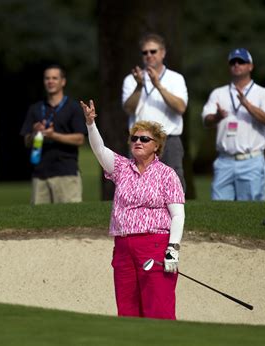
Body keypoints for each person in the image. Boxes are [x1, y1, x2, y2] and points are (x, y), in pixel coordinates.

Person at [80, 99, 185, 320]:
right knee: (127, 311)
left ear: (156, 145)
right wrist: (91, 124)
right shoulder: (121, 168)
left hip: (154, 244)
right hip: (123, 246)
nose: (138, 141)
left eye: (144, 139)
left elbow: (178, 215)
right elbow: (99, 149)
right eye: (134, 138)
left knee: (158, 308)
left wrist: (172, 249)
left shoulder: (167, 174)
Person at [201, 48, 265, 201]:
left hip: (251, 161)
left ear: (250, 66)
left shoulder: (263, 93)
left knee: (251, 212)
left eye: (241, 61)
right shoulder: (218, 93)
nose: (236, 65)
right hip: (224, 161)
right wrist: (216, 117)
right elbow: (205, 120)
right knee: (220, 211)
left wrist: (247, 105)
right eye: (233, 62)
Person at [122, 33, 188, 191]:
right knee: (139, 188)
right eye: (145, 52)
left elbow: (180, 108)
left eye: (153, 51)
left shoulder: (175, 78)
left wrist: (158, 85)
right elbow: (128, 109)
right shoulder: (131, 80)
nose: (149, 55)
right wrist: (139, 86)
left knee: (173, 189)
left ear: (163, 53)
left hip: (169, 140)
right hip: (141, 141)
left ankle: (175, 217)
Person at [20, 64, 87, 204]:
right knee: (39, 222)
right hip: (40, 174)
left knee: (70, 220)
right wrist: (35, 133)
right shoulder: (35, 108)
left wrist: (53, 135)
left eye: (55, 78)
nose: (50, 81)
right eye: (47, 78)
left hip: (66, 173)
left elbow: (80, 139)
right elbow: (26, 141)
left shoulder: (73, 108)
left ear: (63, 81)